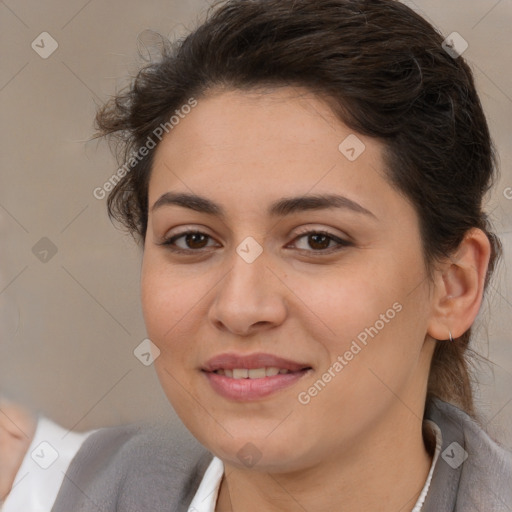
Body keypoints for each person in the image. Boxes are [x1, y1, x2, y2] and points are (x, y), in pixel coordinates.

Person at [5, 0, 512, 510]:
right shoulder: (47, 489)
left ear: (454, 285)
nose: (240, 308)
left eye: (318, 240)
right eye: (193, 239)